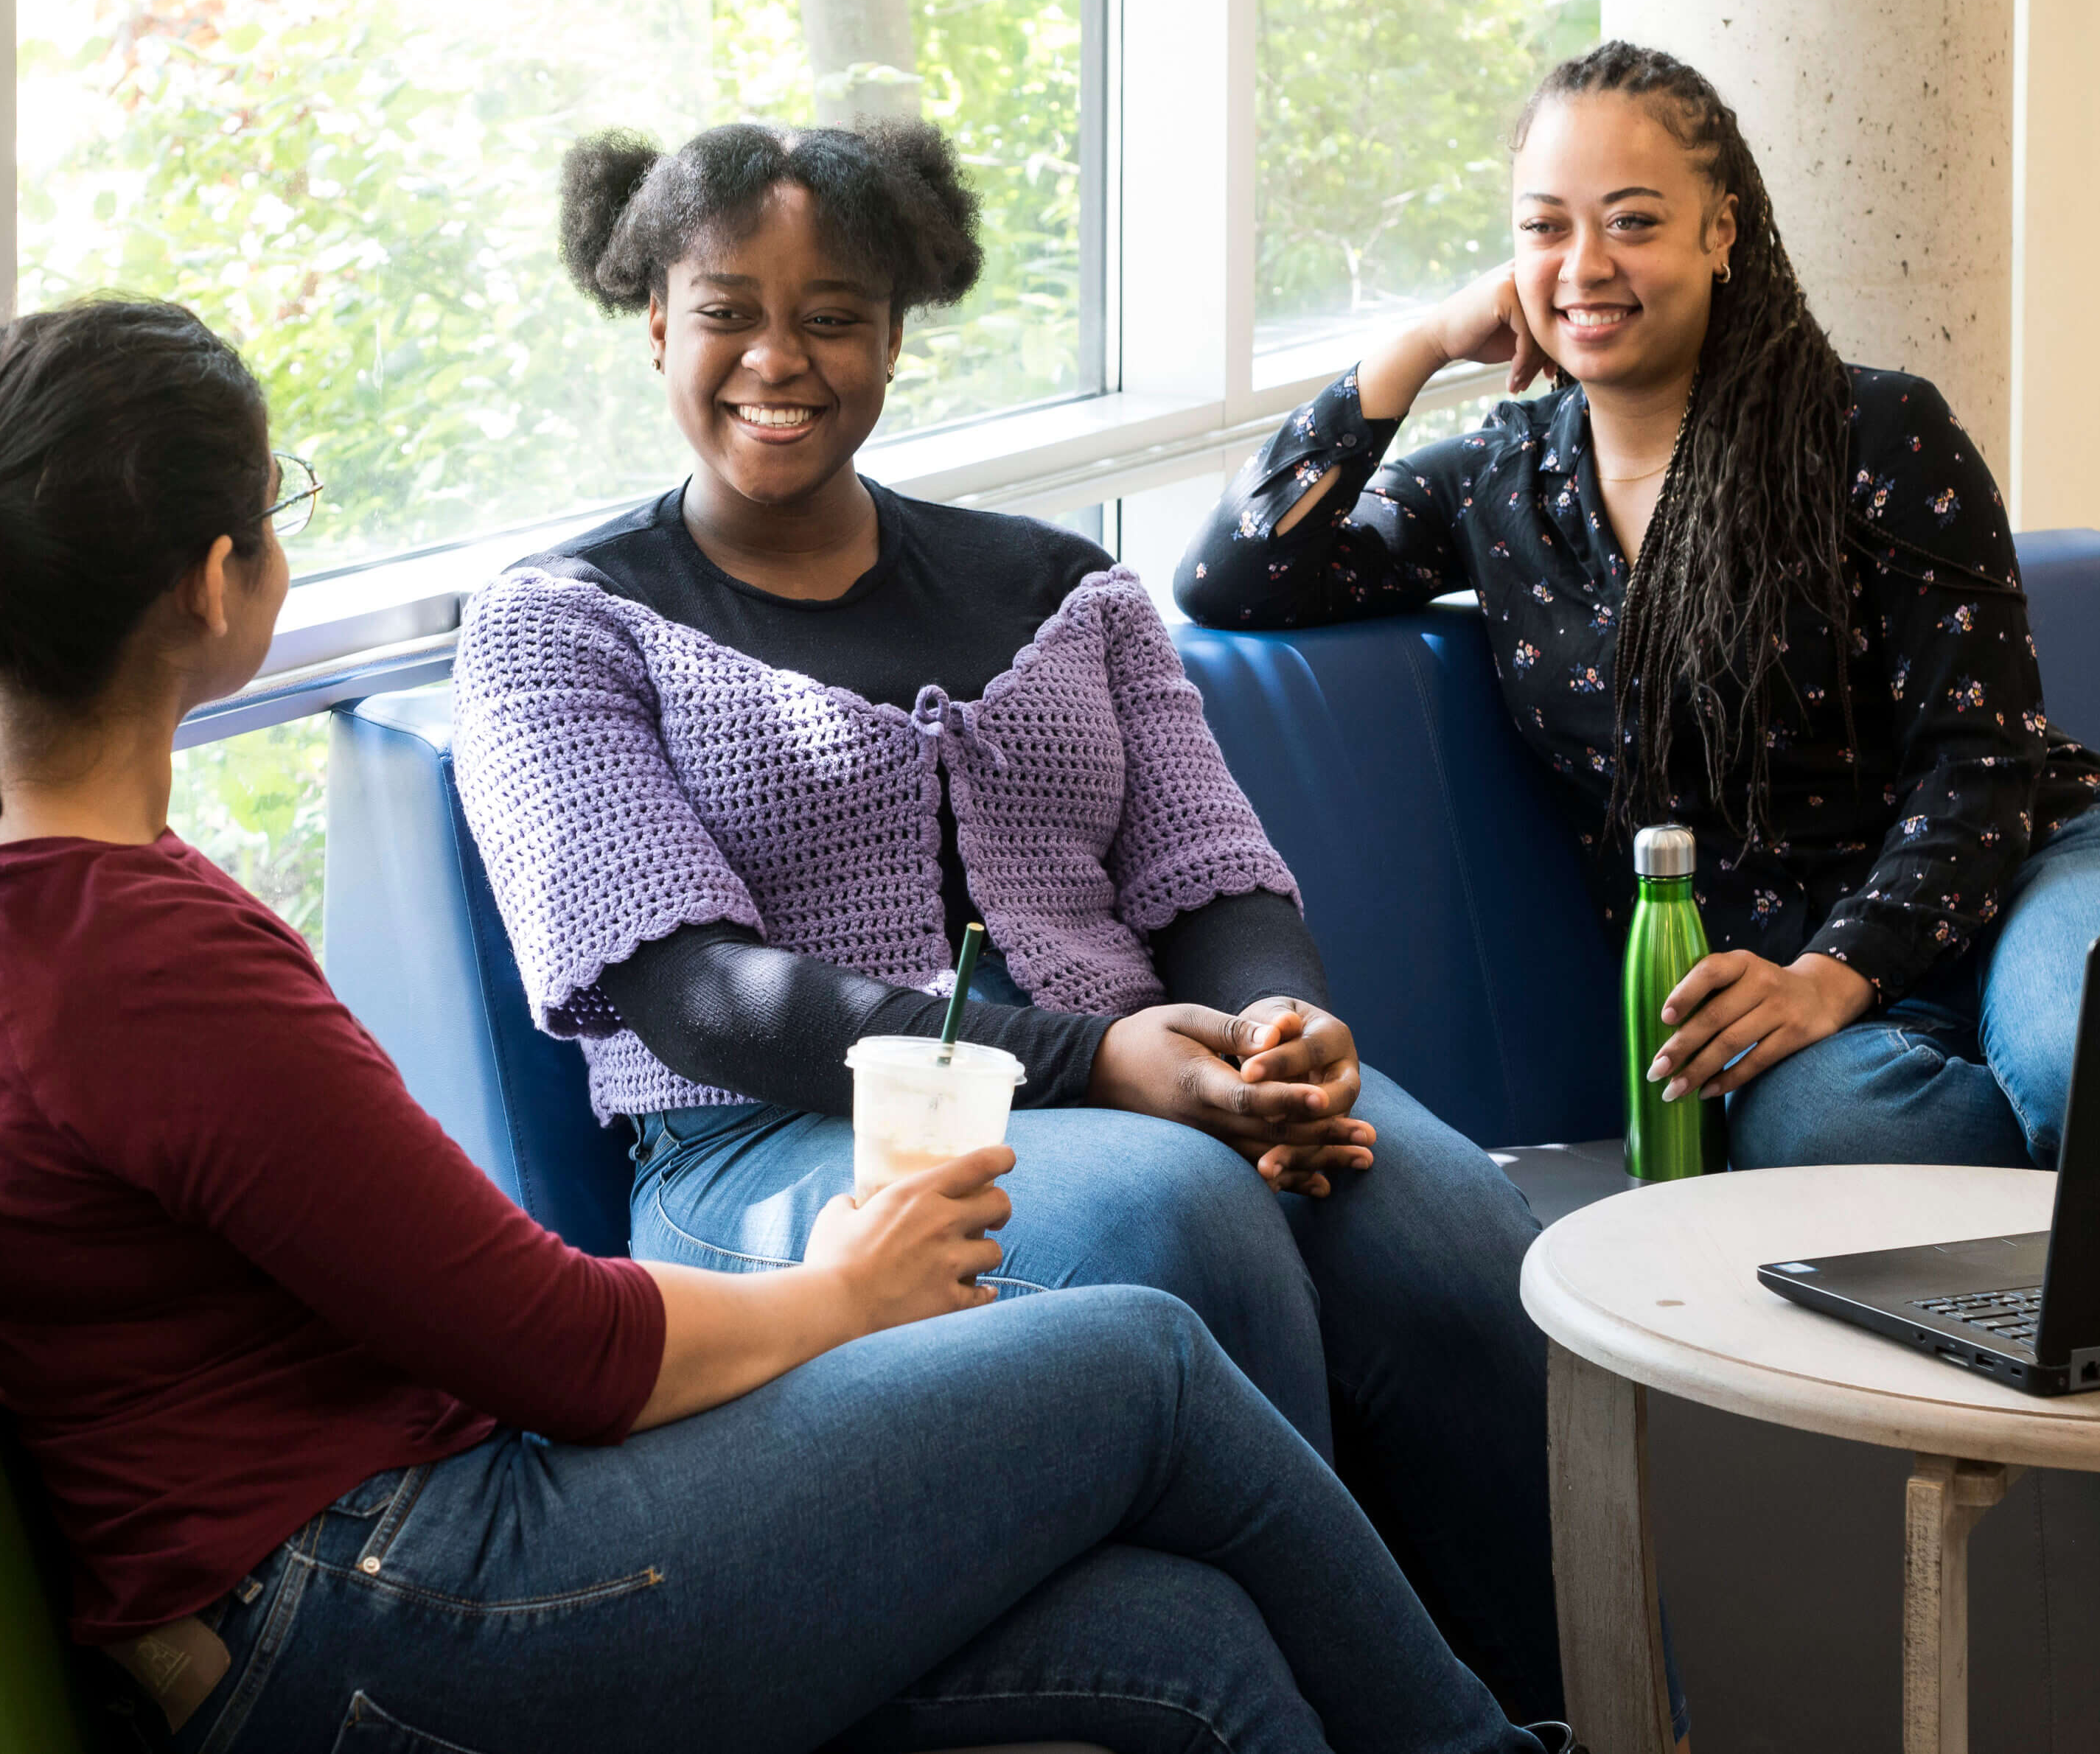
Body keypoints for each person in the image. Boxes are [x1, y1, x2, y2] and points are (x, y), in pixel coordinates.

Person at [0, 298, 1559, 1754]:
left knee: (1187, 1639)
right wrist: (853, 1286)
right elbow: (573, 1345)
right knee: (1135, 1359)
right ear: (217, 583)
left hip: (345, 1577)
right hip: (384, 1613)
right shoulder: (144, 962)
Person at [453, 121, 1577, 1727]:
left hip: (1148, 1077)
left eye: (833, 314)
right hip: (770, 1152)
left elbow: (1216, 870)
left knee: (1456, 1225)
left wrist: (1272, 1020)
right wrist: (1090, 1062)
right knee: (1178, 1218)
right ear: (654, 323)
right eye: (727, 311)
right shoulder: (559, 624)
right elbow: (694, 997)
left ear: (897, 336)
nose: (779, 357)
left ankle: (1561, 1703)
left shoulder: (1063, 585)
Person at [1176, 41, 2100, 1171]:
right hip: (1795, 1004)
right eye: (1545, 228)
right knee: (1817, 1131)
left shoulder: (1876, 434)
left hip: (2026, 871)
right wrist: (1427, 343)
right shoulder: (1498, 485)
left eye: (1632, 221)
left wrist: (1836, 976)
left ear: (1720, 230)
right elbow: (1238, 575)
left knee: (2083, 1052)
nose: (1585, 265)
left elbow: (1982, 761)